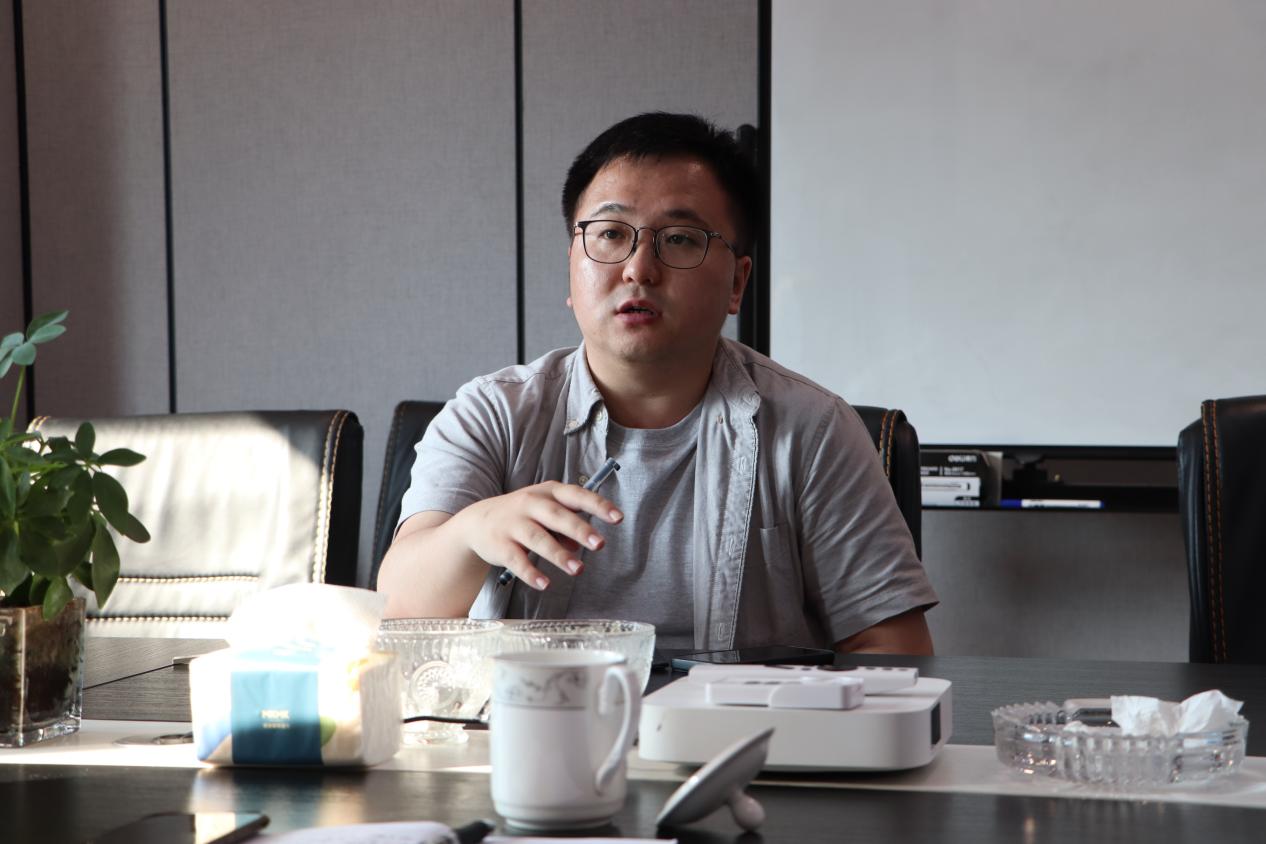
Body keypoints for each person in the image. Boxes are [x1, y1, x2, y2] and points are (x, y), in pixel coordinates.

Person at [377, 112, 937, 653]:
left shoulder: (813, 430)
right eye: (610, 233)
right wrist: (472, 530)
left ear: (737, 283)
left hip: (739, 719)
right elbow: (402, 607)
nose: (639, 269)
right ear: (572, 266)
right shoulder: (492, 413)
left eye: (680, 240)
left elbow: (891, 647)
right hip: (536, 716)